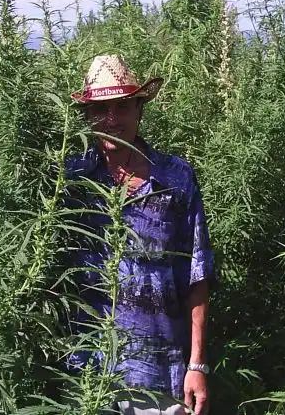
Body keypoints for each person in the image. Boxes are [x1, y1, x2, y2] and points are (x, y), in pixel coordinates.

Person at [63, 54, 216, 415]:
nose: (111, 119)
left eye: (122, 106)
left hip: (159, 370)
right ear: (87, 116)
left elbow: (198, 274)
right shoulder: (71, 180)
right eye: (100, 109)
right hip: (90, 371)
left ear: (139, 109)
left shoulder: (176, 177)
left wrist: (197, 364)